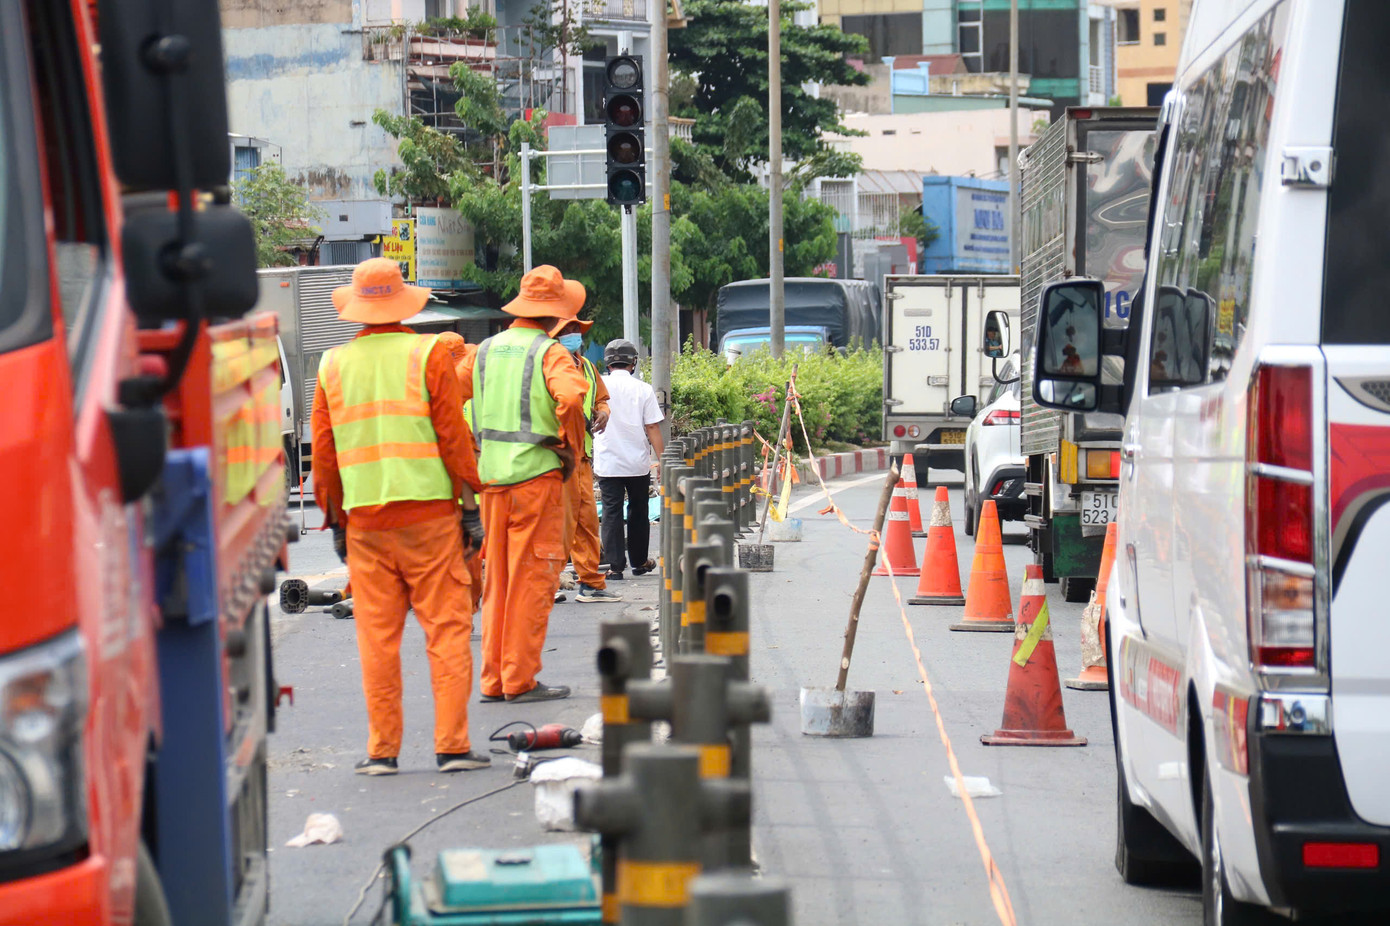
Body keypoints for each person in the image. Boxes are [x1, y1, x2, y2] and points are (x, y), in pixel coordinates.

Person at [311, 258, 490, 776]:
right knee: (448, 629)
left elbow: (324, 456)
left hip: (366, 524)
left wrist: (336, 520)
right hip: (431, 519)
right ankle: (452, 746)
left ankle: (382, 751)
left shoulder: (332, 365)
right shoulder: (429, 354)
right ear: (403, 304)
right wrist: (470, 506)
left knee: (377, 637)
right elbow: (453, 438)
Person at [455, 265, 590, 703]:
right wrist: (569, 446)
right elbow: (570, 397)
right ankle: (520, 679)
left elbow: (448, 394)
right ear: (554, 314)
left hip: (493, 484)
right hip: (536, 482)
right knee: (532, 581)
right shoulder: (548, 353)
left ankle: (494, 679)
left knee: (499, 584)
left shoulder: (485, 351)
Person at [550, 314, 621, 604]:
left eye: (576, 329)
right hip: (555, 457)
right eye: (567, 330)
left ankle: (590, 582)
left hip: (581, 458)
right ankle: (548, 582)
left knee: (587, 522)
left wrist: (603, 412)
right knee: (557, 523)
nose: (574, 334)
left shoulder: (588, 368)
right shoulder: (549, 366)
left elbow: (601, 399)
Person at [594, 338, 665, 580]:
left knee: (611, 512)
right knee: (638, 510)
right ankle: (638, 562)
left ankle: (615, 567)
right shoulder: (643, 389)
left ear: (608, 364)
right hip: (637, 462)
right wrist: (663, 461)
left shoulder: (597, 386)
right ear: (633, 363)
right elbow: (653, 427)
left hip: (607, 461)